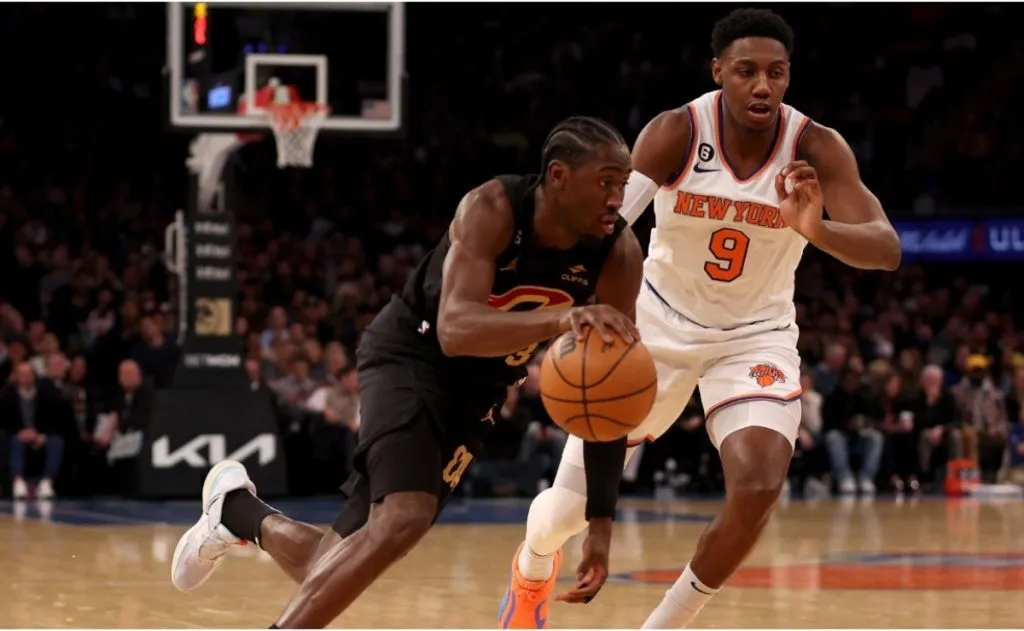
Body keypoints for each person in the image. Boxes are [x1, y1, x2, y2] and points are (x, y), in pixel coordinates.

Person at [499, 9, 901, 629]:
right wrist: (555, 319)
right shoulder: (676, 134)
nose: (762, 85)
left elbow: (886, 247)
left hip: (754, 336)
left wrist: (815, 228)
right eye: (746, 72)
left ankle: (665, 624)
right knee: (565, 514)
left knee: (761, 481)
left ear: (789, 78)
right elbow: (603, 232)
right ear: (719, 73)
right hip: (655, 326)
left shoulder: (814, 148)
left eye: (776, 72)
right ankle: (531, 569)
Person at [169, 116, 645, 629]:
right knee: (404, 517)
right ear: (558, 176)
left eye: (623, 183)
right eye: (606, 182)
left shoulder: (617, 255)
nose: (619, 197)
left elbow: (607, 394)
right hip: (411, 356)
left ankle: (236, 512)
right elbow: (455, 329)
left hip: (478, 394)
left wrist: (600, 522)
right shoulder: (493, 209)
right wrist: (563, 317)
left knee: (334, 561)